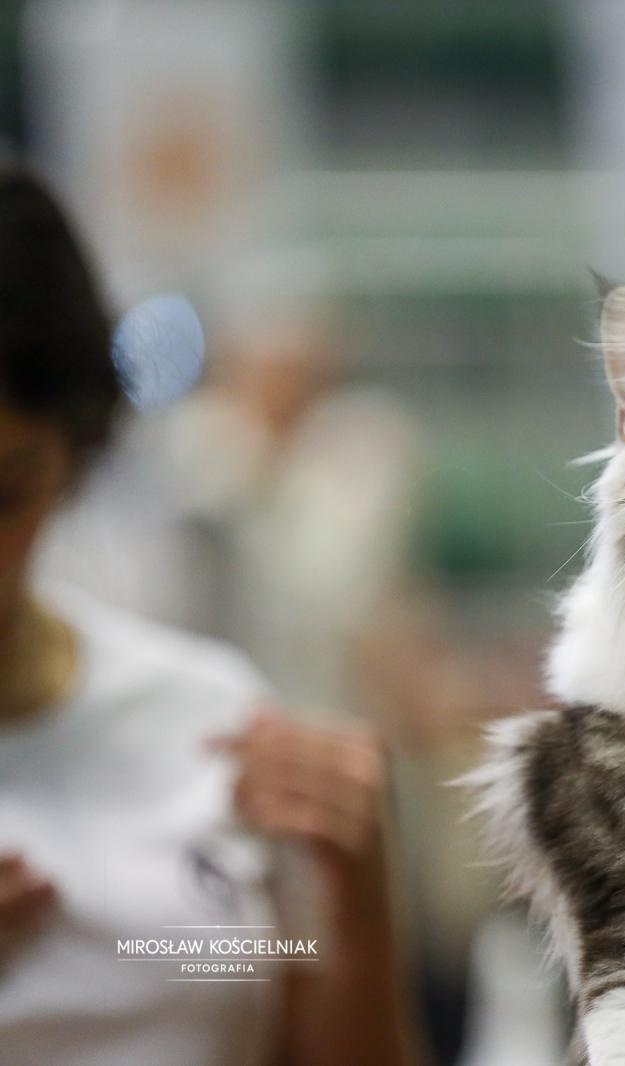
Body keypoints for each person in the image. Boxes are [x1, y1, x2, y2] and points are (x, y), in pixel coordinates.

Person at [0, 172, 424, 1065]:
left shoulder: (208, 714)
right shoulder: (208, 462)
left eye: (7, 491)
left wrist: (358, 905)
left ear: (75, 457)